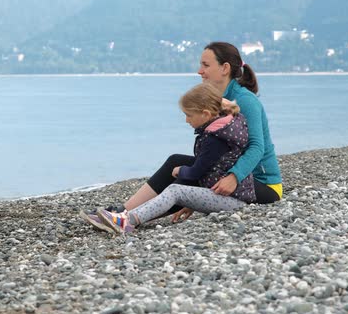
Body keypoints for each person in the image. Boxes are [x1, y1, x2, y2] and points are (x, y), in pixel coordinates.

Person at [80, 41, 282, 228]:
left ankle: (128, 219)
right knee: (176, 161)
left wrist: (234, 177)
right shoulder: (219, 99)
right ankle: (124, 211)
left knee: (192, 174)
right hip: (235, 176)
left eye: (205, 65)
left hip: (262, 184)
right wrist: (199, 199)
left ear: (225, 68)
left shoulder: (245, 101)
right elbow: (217, 154)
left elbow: (257, 147)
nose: (199, 71)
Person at [85, 82, 254, 233]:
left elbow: (196, 172)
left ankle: (127, 221)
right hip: (228, 195)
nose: (186, 120)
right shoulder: (223, 127)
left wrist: (180, 170)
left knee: (175, 190)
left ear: (205, 114)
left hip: (232, 200)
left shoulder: (216, 138)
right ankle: (123, 214)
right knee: (176, 172)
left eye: (189, 115)